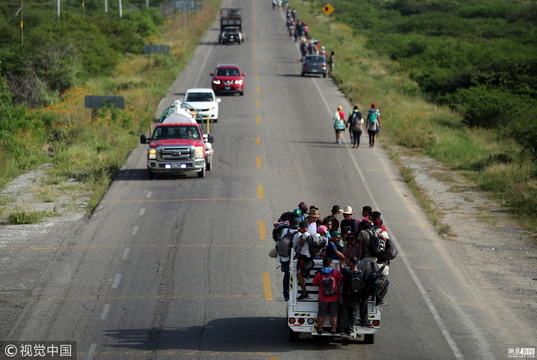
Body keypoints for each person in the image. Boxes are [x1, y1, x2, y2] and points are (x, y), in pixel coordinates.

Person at [312, 257, 344, 335]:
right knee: (334, 314)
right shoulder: (335, 271)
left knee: (321, 314)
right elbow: (341, 279)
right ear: (330, 264)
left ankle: (320, 329)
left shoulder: (319, 273)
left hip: (323, 298)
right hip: (334, 297)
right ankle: (333, 330)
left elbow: (314, 283)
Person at [359, 253, 390, 326]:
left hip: (366, 288)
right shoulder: (385, 268)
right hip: (376, 290)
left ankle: (364, 321)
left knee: (364, 302)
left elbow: (364, 272)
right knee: (387, 281)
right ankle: (379, 299)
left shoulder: (368, 264)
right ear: (385, 260)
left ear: (377, 258)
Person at [339, 256, 363, 334]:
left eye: (349, 262)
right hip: (356, 298)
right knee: (353, 314)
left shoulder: (346, 271)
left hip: (346, 297)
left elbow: (342, 269)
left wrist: (341, 262)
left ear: (351, 263)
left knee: (343, 313)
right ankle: (349, 330)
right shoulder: (361, 273)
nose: (348, 263)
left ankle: (341, 330)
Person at [278, 218, 300, 301]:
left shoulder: (285, 230)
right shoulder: (298, 234)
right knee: (291, 275)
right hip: (289, 258)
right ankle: (291, 293)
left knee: (286, 275)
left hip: (281, 256)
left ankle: (285, 294)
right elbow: (295, 247)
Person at [294, 221, 313, 300]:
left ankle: (304, 293)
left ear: (301, 228)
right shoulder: (309, 233)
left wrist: (300, 237)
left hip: (304, 258)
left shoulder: (305, 234)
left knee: (299, 274)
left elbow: (300, 245)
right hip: (307, 257)